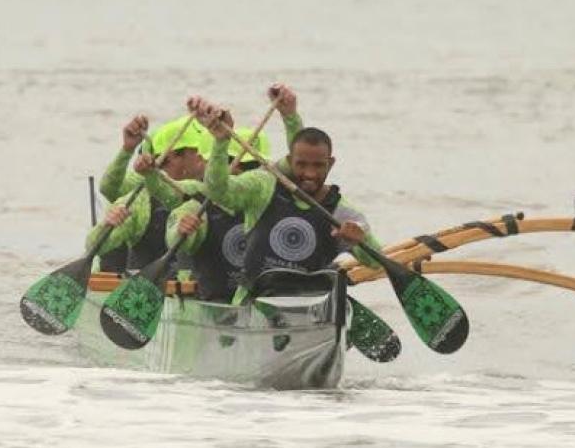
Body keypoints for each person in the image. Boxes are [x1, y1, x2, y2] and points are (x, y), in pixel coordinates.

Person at [193, 97, 383, 301]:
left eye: (318, 166)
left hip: (310, 310)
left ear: (331, 163)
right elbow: (217, 192)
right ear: (290, 161)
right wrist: (221, 142)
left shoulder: (342, 212)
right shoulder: (263, 186)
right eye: (301, 165)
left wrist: (361, 240)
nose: (310, 174)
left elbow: (376, 263)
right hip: (253, 305)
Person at [162, 84, 305, 300]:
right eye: (232, 163)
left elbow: (300, 163)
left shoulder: (265, 191)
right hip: (212, 305)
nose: (242, 172)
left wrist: (290, 116)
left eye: (251, 167)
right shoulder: (195, 202)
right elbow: (165, 198)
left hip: (259, 303)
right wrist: (181, 233)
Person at [84, 114, 212, 271]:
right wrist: (106, 225)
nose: (206, 159)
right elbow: (109, 188)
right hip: (142, 286)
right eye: (198, 154)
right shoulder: (140, 199)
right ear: (172, 157)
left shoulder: (214, 192)